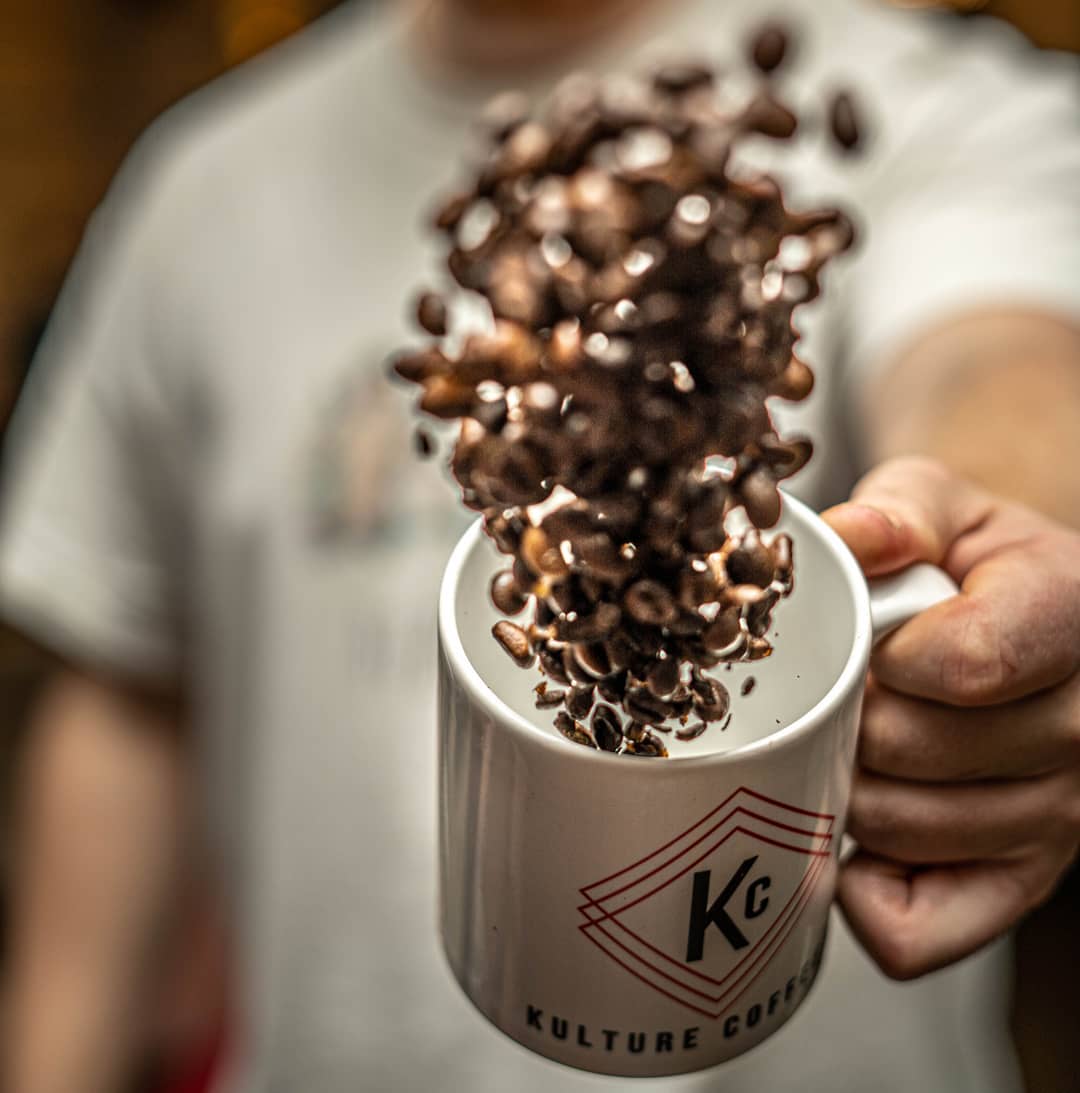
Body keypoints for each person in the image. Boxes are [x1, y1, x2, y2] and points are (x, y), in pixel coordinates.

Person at [2, 1, 1078, 1090]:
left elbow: (994, 361)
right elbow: (129, 686)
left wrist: (987, 538)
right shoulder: (200, 185)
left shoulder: (939, 107)